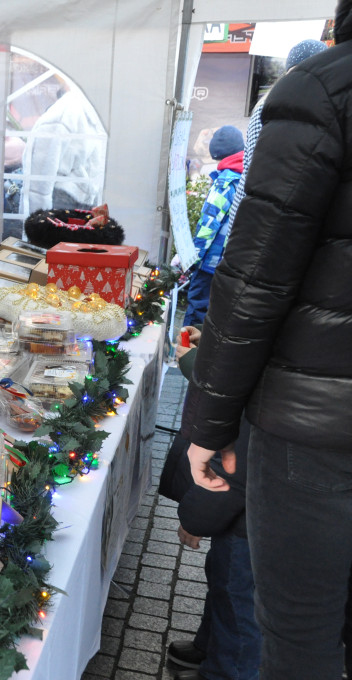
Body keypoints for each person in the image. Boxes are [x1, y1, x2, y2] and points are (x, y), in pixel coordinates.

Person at [186, 3, 352, 678]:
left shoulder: (324, 89)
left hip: (316, 429)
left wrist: (209, 424)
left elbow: (254, 280)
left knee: (299, 640)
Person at [160, 326, 259, 680]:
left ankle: (224, 671)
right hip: (244, 514)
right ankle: (210, 647)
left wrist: (197, 515)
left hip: (249, 521)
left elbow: (235, 465)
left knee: (239, 602)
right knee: (222, 582)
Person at [227, 39, 327, 227]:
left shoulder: (270, 103)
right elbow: (258, 170)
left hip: (260, 211)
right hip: (263, 215)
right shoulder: (271, 107)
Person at [183, 125, 244, 326]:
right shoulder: (246, 176)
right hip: (231, 261)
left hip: (210, 262)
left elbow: (210, 222)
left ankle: (187, 354)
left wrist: (193, 256)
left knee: (197, 307)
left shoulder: (225, 181)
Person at [25, 87, 105, 213]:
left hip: (79, 197)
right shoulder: (70, 109)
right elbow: (43, 165)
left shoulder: (88, 109)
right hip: (64, 196)